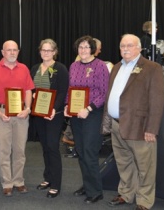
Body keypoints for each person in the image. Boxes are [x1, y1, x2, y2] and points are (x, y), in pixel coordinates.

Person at [103, 34, 164, 210]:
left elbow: (157, 101)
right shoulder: (116, 67)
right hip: (116, 124)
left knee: (145, 166)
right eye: (122, 46)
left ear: (139, 48)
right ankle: (126, 193)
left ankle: (144, 200)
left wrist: (151, 129)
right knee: (123, 162)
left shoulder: (152, 68)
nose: (126, 49)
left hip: (140, 126)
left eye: (130, 45)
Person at [0, 40, 34, 197]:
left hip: (21, 115)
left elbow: (28, 91)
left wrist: (27, 109)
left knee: (20, 150)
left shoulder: (24, 68)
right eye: (9, 50)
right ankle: (7, 183)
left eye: (15, 50)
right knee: (4, 150)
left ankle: (19, 181)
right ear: (2, 52)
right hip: (2, 114)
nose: (12, 53)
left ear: (18, 52)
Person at [64, 35, 109, 204]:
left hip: (93, 113)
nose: (83, 50)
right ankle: (87, 185)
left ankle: (96, 191)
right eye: (80, 47)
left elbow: (104, 92)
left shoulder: (100, 66)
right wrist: (68, 105)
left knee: (90, 152)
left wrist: (88, 108)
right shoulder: (74, 66)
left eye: (86, 47)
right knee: (81, 152)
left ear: (92, 49)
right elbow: (70, 89)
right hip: (76, 114)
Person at [30, 39, 69, 198]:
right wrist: (32, 94)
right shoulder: (34, 68)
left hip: (54, 114)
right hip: (39, 113)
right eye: (43, 50)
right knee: (45, 147)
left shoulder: (60, 68)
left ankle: (56, 184)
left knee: (53, 147)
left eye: (49, 50)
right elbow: (31, 87)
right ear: (40, 51)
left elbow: (62, 91)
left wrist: (54, 109)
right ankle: (48, 178)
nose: (46, 53)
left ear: (54, 52)